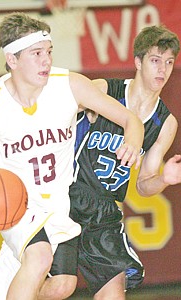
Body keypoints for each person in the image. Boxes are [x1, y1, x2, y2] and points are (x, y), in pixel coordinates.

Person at [0, 12, 144, 300]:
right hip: (15, 205)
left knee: (63, 285)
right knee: (39, 256)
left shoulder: (69, 84)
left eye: (49, 51)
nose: (47, 60)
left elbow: (132, 120)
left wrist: (132, 141)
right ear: (12, 60)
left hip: (57, 206)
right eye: (37, 53)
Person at [69, 24, 181, 300]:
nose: (162, 70)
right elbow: (59, 107)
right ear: (138, 62)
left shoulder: (165, 123)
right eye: (155, 61)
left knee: (114, 292)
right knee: (57, 286)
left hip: (104, 211)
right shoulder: (105, 90)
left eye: (169, 62)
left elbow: (144, 185)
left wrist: (164, 179)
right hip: (65, 194)